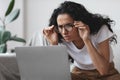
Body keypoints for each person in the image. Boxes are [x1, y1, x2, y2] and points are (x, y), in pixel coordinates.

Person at [29, 1, 120, 80]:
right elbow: (55, 73)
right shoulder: (60, 36)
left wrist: (86, 40)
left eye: (68, 26)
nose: (64, 32)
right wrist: (54, 44)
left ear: (80, 23)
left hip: (107, 75)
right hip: (79, 74)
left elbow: (103, 70)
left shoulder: (100, 30)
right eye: (60, 27)